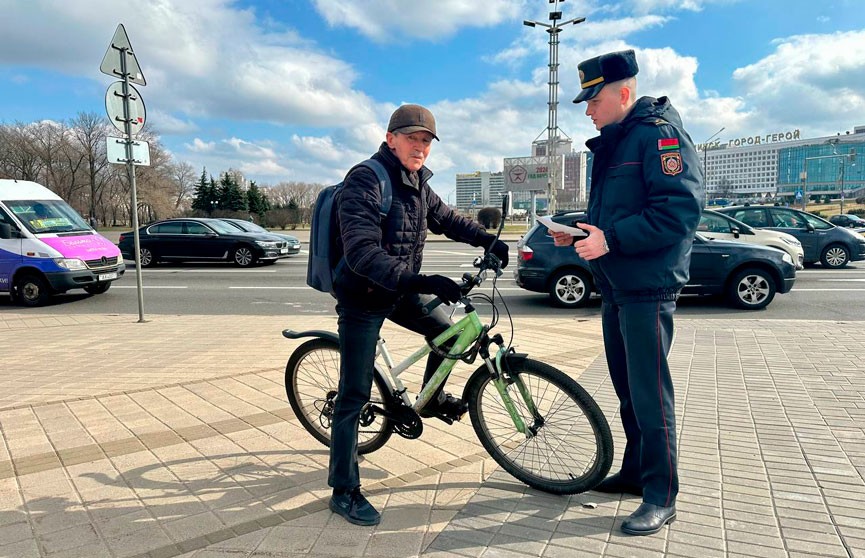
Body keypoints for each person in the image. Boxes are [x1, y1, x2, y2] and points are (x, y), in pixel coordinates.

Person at [328, 104, 509, 526]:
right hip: (363, 295)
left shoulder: (419, 184)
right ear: (391, 138)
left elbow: (447, 220)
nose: (420, 147)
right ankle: (343, 489)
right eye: (412, 138)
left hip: (401, 288)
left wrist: (487, 240)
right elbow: (360, 251)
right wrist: (421, 280)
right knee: (353, 394)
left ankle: (430, 399)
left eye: (427, 141)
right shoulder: (366, 179)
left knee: (455, 331)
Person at [551, 50, 703, 535]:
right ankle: (637, 474)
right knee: (627, 391)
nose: (587, 111)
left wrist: (610, 239)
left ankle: (661, 494)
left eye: (592, 100)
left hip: (647, 286)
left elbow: (678, 212)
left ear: (623, 92)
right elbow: (617, 212)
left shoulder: (660, 136)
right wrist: (578, 231)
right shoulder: (619, 141)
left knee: (650, 395)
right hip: (618, 285)